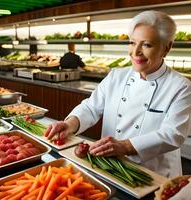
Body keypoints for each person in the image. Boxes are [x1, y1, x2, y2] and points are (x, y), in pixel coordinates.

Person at [45, 10, 191, 178]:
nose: (136, 52)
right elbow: (91, 107)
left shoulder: (181, 87)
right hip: (111, 166)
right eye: (132, 42)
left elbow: (173, 134)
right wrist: (70, 123)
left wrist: (126, 146)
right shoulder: (117, 75)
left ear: (167, 48)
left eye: (147, 45)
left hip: (155, 175)